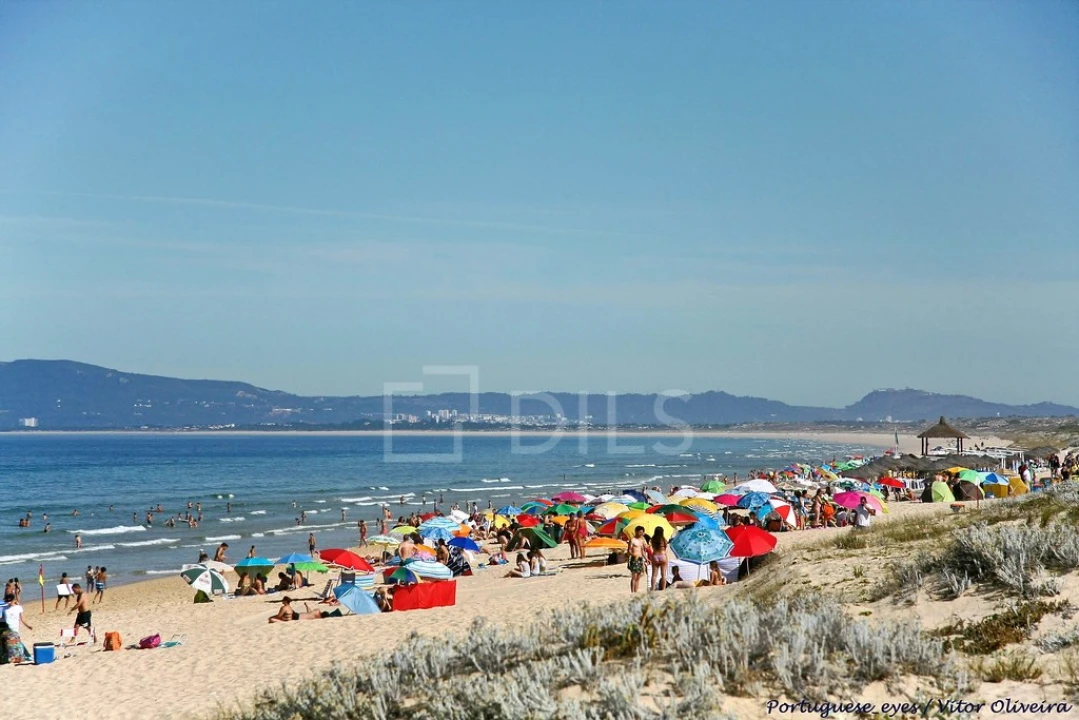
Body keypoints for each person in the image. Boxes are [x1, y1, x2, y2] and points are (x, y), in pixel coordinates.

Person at [628, 526, 647, 593]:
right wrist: (634, 555)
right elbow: (629, 551)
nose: (641, 533)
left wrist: (646, 558)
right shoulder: (632, 540)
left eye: (642, 532)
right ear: (636, 531)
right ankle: (632, 591)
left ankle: (636, 591)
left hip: (640, 559)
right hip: (634, 559)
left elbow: (643, 551)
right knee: (634, 576)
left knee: (639, 576)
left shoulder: (642, 540)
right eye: (640, 532)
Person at [650, 527, 669, 591]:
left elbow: (652, 547)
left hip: (655, 556)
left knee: (654, 575)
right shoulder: (664, 539)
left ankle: (652, 589)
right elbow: (665, 548)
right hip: (663, 556)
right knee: (663, 575)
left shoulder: (653, 539)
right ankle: (663, 589)